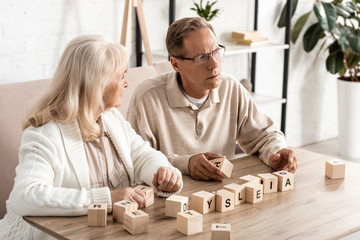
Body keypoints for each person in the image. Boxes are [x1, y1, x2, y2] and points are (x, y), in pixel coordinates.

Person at [0, 34, 182, 240]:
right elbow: (26, 196)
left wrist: (162, 172)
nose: (127, 83)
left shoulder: (111, 117)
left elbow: (142, 154)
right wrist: (107, 198)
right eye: (121, 76)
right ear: (97, 84)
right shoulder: (44, 134)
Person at [127, 17, 297, 182]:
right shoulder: (146, 98)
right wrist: (186, 164)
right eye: (202, 57)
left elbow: (265, 135)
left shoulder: (231, 88)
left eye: (216, 52)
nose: (214, 64)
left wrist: (277, 151)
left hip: (222, 193)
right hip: (168, 200)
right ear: (176, 64)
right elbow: (136, 161)